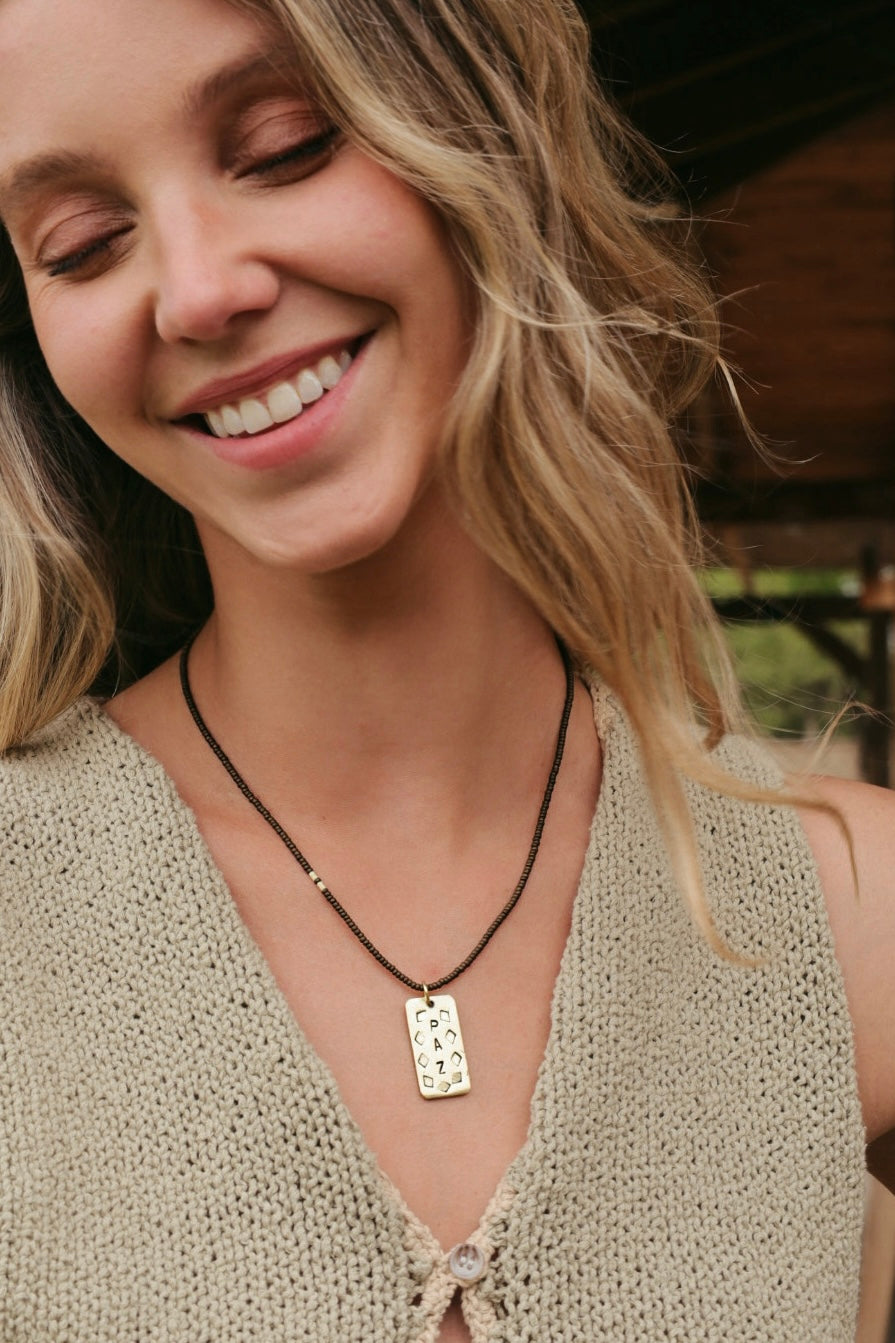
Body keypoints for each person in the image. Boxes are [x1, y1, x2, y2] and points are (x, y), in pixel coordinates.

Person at [0, 0, 892, 1338]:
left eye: (285, 147)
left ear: (487, 134)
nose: (197, 290)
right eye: (81, 243)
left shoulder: (855, 912)